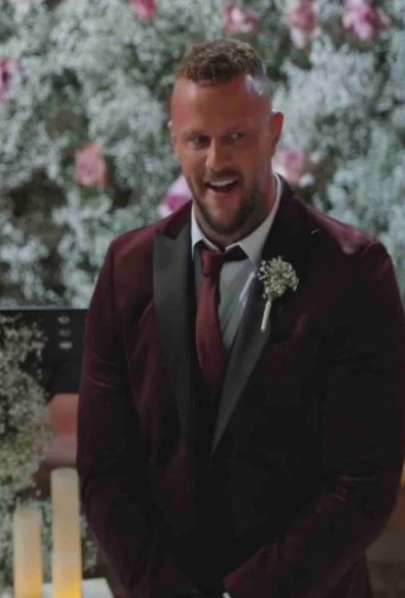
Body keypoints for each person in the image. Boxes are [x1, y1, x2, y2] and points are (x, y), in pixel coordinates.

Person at [77, 39, 405, 598]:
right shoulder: (126, 269)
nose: (216, 161)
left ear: (274, 131)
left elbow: (363, 483)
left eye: (236, 137)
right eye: (198, 139)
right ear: (173, 139)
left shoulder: (354, 271)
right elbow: (106, 470)